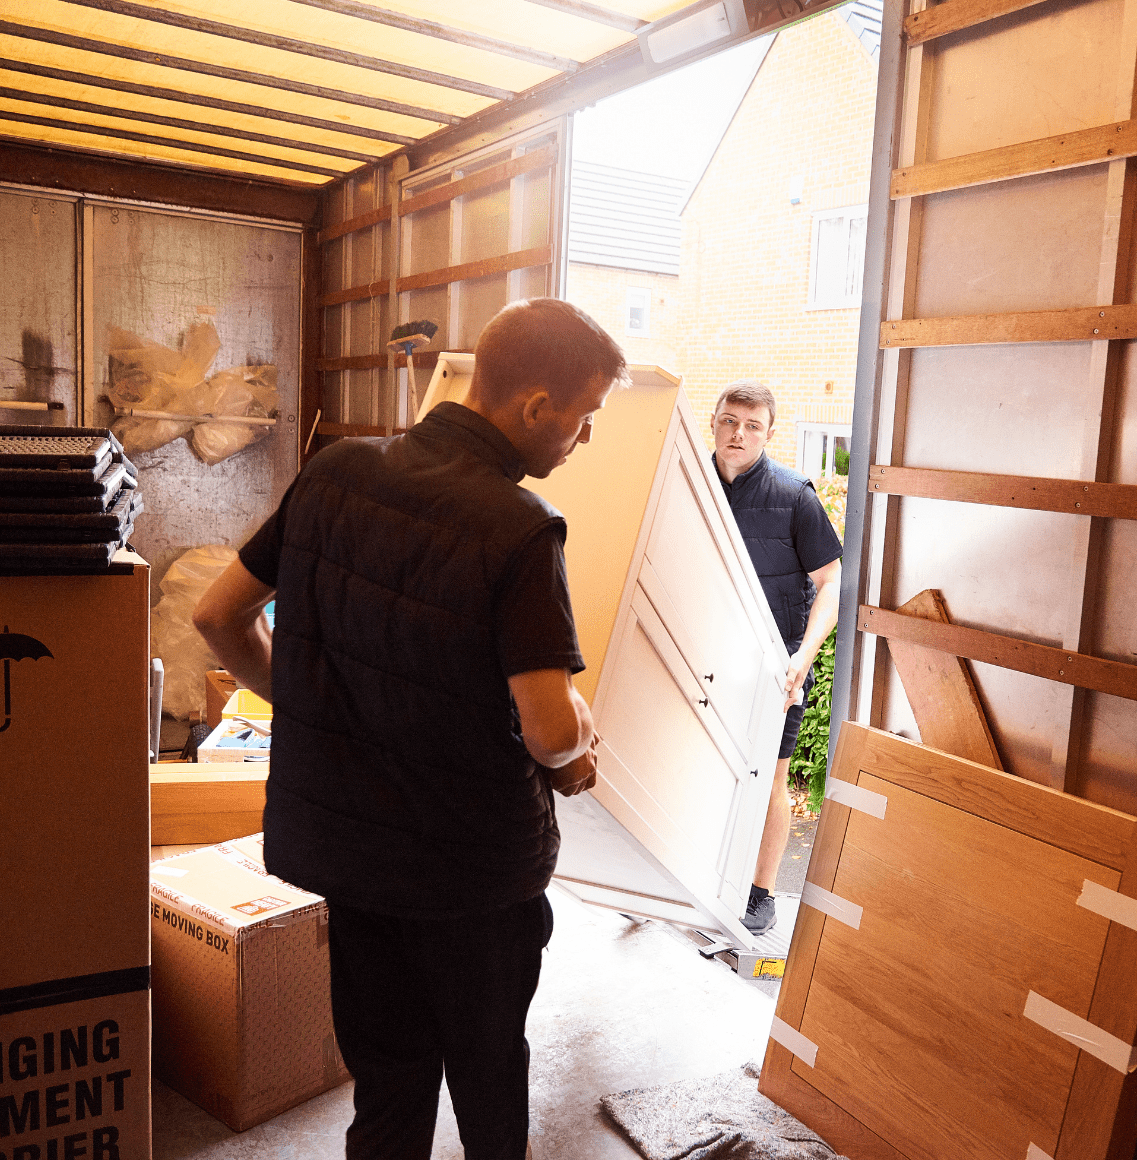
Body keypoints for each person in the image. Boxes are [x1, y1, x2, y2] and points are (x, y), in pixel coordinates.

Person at [192, 298, 626, 1160]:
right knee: (489, 1077)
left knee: (387, 1083)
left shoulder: (335, 471)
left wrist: (313, 703)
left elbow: (217, 616)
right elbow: (548, 731)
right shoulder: (519, 527)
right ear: (536, 408)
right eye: (584, 420)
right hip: (471, 874)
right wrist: (580, 739)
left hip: (352, 860)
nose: (583, 442)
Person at [710, 381, 843, 936]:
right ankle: (691, 877)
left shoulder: (795, 496)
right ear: (713, 421)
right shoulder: (691, 483)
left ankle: (760, 892)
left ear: (769, 431)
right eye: (729, 420)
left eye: (752, 425)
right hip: (707, 655)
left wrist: (803, 657)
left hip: (777, 665)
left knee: (771, 780)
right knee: (705, 767)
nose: (738, 433)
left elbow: (831, 581)